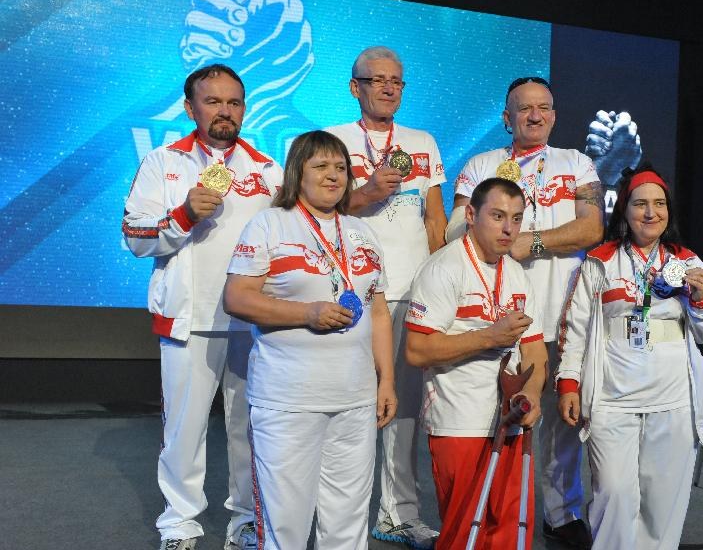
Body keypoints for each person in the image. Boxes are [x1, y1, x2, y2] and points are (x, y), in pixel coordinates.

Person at [449, 76, 620, 547]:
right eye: (524, 109)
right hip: (499, 317)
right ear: (507, 117)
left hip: (566, 315)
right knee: (497, 416)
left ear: (555, 115)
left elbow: (591, 227)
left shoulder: (576, 163)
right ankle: (493, 512)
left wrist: (533, 241)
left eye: (544, 107)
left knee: (564, 419)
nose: (535, 115)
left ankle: (561, 514)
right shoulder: (482, 164)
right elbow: (452, 231)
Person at [122, 64, 283, 550]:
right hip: (188, 321)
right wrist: (185, 213)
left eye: (233, 102)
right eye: (212, 102)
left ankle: (245, 519)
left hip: (250, 322)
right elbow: (135, 236)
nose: (224, 111)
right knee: (183, 430)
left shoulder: (268, 170)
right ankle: (179, 522)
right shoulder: (161, 163)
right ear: (191, 108)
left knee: (248, 428)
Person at [222, 130, 397, 549]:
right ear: (297, 172)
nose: (333, 176)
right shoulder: (269, 223)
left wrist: (386, 379)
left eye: (340, 167)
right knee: (286, 522)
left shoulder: (361, 232)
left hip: (354, 398)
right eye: (321, 166)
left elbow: (377, 310)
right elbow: (236, 297)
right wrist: (308, 313)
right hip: (288, 399)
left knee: (349, 518)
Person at [556, 166, 703, 549]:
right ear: (625, 211)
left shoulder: (689, 262)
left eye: (659, 204)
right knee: (614, 494)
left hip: (673, 401)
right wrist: (568, 383)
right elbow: (575, 329)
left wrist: (700, 300)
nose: (651, 213)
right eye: (641, 204)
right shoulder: (599, 261)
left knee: (662, 503)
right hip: (613, 400)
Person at [325, 46, 446, 548]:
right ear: (355, 87)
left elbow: (435, 217)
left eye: (397, 80)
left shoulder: (422, 141)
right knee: (350, 405)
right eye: (377, 80)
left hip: (413, 290)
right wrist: (369, 192)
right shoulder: (332, 140)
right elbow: (318, 203)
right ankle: (337, 516)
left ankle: (396, 514)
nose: (388, 87)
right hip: (351, 291)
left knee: (404, 412)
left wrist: (442, 279)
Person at [406, 177, 548, 549]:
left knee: (506, 531)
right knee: (465, 534)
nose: (508, 228)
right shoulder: (443, 268)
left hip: (511, 420)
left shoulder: (516, 273)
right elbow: (417, 350)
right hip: (459, 421)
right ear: (470, 214)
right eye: (498, 215)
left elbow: (535, 352)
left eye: (517, 219)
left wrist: (531, 395)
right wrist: (489, 337)